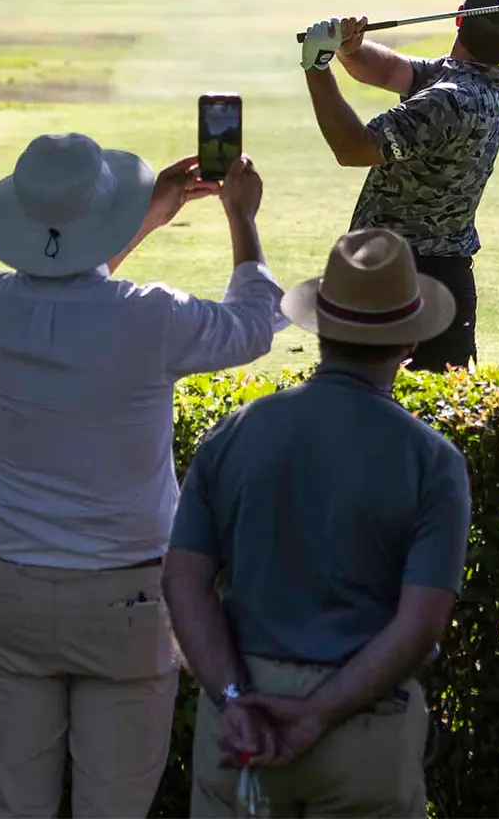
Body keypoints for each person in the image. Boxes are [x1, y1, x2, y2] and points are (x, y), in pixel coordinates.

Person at [0, 133, 281, 819]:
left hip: (10, 589)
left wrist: (147, 216)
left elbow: (66, 287)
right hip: (125, 598)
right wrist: (242, 217)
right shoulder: (150, 315)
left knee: (10, 804)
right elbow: (254, 325)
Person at [164, 227, 471, 818]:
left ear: (321, 329)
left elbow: (182, 581)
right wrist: (318, 714)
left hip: (244, 723)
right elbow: (420, 625)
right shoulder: (432, 460)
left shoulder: (234, 433)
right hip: (365, 725)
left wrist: (234, 699)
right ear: (409, 343)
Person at [297, 0, 499, 372]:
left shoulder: (450, 100)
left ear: (459, 17)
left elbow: (353, 149)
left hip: (403, 282)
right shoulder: (474, 85)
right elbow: (391, 72)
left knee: (366, 407)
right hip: (439, 279)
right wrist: (349, 50)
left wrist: (317, 67)